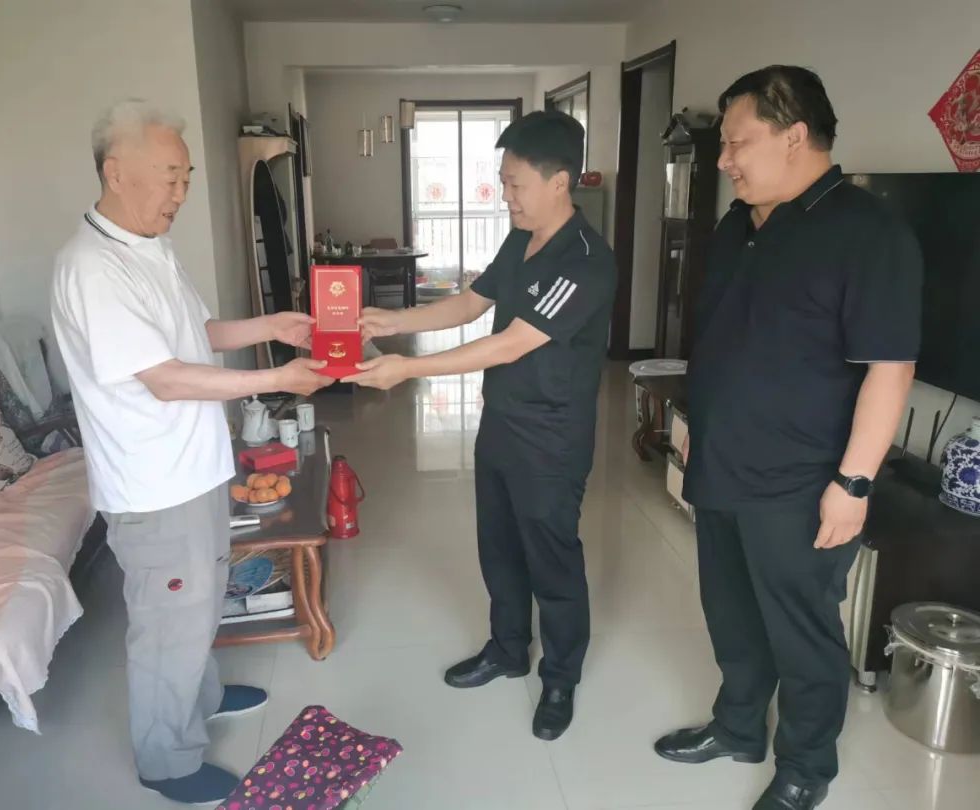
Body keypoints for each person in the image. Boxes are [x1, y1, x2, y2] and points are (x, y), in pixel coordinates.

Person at [653, 67, 921, 810]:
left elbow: (891, 369)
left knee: (801, 630)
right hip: (723, 463)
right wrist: (696, 427)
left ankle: (806, 767)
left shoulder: (868, 233)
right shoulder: (739, 224)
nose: (725, 161)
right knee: (732, 613)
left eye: (736, 143)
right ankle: (738, 726)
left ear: (795, 136)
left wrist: (854, 484)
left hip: (804, 480)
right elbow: (723, 341)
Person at [51, 99, 331, 805]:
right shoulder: (93, 268)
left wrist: (272, 327)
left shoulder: (149, 247)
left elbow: (194, 334)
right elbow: (166, 378)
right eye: (169, 177)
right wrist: (276, 379)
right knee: (168, 625)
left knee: (202, 601)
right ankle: (166, 761)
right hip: (153, 486)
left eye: (186, 177)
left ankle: (200, 697)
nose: (181, 193)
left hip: (195, 469)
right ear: (117, 173)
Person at [348, 111, 617, 741]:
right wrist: (394, 322)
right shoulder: (522, 240)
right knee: (498, 546)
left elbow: (509, 343)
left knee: (551, 558)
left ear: (559, 181)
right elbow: (472, 303)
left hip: (551, 437)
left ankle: (560, 678)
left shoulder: (585, 261)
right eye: (503, 181)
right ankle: (506, 648)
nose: (506, 195)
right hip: (501, 422)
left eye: (515, 183)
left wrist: (407, 370)